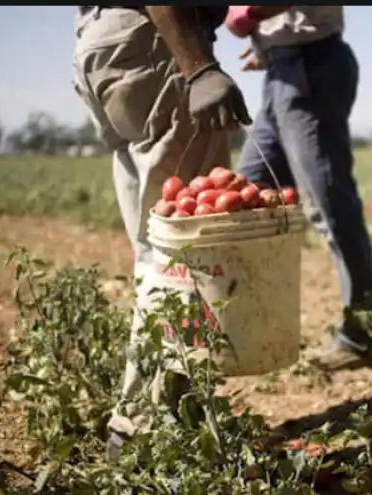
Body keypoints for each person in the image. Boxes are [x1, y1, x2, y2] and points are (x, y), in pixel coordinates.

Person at [71, 5, 251, 461]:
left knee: (156, 251)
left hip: (103, 46)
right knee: (185, 254)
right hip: (157, 43)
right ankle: (146, 431)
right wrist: (200, 66)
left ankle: (162, 420)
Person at [225, 7, 372, 371]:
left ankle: (364, 334)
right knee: (247, 195)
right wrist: (269, 43)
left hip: (311, 65)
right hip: (283, 68)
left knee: (329, 204)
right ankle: (256, 326)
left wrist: (246, 15)